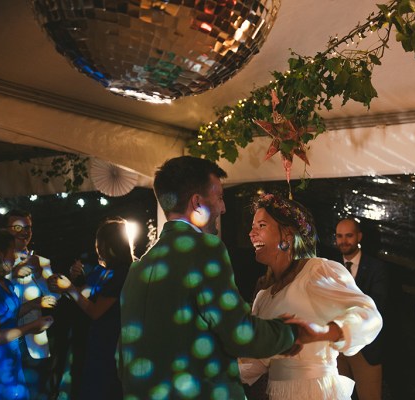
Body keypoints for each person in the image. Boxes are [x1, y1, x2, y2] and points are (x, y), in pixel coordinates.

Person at [118, 156, 326, 400]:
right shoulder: (204, 249)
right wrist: (290, 333)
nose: (223, 208)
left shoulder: (140, 266)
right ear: (197, 203)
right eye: (219, 197)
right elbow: (239, 334)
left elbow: (124, 354)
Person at [240, 193, 383, 400]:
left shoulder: (316, 271)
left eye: (261, 225)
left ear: (287, 235)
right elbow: (259, 360)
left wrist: (323, 333)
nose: (251, 233)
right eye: (252, 227)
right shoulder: (263, 297)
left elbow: (370, 316)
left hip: (316, 392)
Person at [49, 218, 134, 399]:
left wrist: (70, 289)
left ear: (110, 244)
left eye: (100, 242)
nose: (97, 247)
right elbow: (83, 294)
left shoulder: (123, 273)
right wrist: (67, 282)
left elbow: (95, 311)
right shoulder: (101, 271)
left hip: (110, 347)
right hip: (91, 345)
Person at [0, 229, 54, 400]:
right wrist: (32, 326)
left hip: (11, 360)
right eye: (12, 252)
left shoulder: (5, 283)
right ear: (0, 255)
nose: (15, 257)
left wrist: (34, 304)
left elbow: (10, 314)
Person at [4, 209, 58, 399]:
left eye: (28, 227)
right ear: (7, 230)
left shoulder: (41, 261)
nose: (24, 231)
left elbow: (54, 298)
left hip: (34, 342)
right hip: (4, 340)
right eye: (18, 227)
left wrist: (41, 276)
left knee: (37, 392)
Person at [333, 218, 389, 400]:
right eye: (339, 236)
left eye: (348, 236)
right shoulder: (329, 267)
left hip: (366, 348)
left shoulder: (377, 268)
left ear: (359, 236)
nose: (344, 241)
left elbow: (375, 306)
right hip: (336, 347)